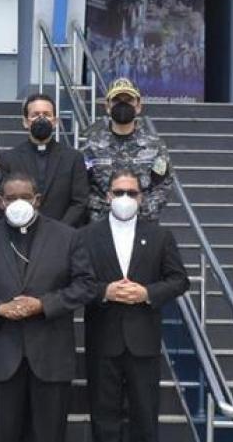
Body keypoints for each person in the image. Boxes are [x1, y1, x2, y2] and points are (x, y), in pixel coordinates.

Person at [0, 172, 97, 442]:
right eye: (10, 198)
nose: (18, 203)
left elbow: (85, 286)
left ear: (38, 199)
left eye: (25, 197)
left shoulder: (68, 237)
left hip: (51, 359)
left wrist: (43, 304)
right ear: (0, 202)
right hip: (3, 359)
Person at [80, 169, 190, 442]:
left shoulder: (160, 236)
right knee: (104, 417)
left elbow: (179, 280)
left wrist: (147, 293)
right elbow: (75, 284)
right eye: (119, 192)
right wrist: (105, 290)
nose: (125, 198)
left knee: (145, 416)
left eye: (131, 193)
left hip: (144, 341)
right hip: (103, 339)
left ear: (141, 198)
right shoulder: (86, 236)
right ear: (108, 196)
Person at [81, 77, 173, 222]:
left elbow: (163, 185)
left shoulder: (154, 146)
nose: (123, 105)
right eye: (117, 100)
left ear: (138, 106)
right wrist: (108, 209)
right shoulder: (91, 145)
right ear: (108, 106)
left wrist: (139, 209)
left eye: (129, 100)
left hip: (143, 223)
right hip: (101, 223)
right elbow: (82, 186)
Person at [0, 93, 88, 227]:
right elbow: (1, 203)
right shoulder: (9, 159)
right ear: (25, 121)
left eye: (46, 114)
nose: (41, 118)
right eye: (35, 115)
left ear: (55, 121)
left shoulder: (73, 158)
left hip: (63, 236)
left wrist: (59, 231)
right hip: (20, 234)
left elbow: (80, 202)